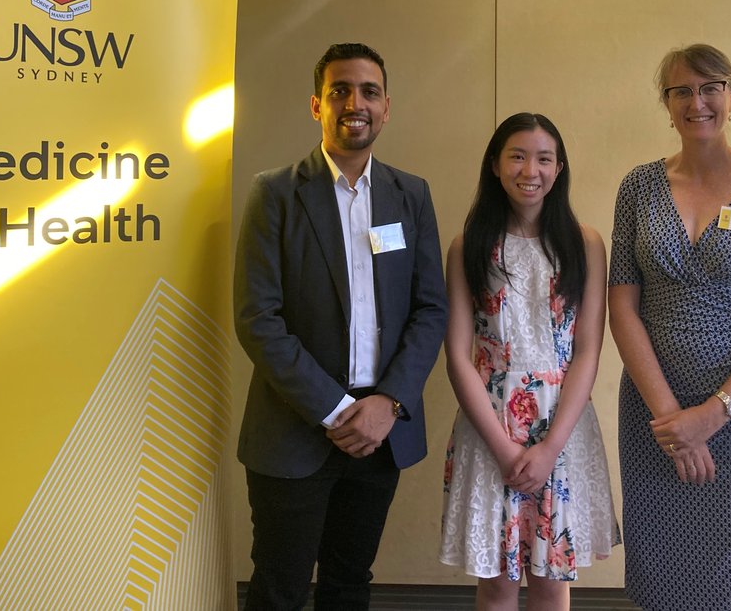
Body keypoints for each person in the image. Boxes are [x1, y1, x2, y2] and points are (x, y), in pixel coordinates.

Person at [233, 42, 448, 610]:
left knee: (349, 583)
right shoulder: (275, 193)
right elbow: (259, 318)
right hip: (295, 430)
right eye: (340, 91)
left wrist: (387, 404)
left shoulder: (412, 195)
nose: (356, 103)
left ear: (387, 107)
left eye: (369, 92)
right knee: (278, 588)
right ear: (316, 105)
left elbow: (431, 309)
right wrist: (337, 410)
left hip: (381, 432)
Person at [607, 45, 731, 610]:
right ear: (666, 105)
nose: (698, 101)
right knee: (662, 568)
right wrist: (672, 421)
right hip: (654, 412)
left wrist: (713, 415)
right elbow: (623, 307)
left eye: (710, 86)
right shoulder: (638, 187)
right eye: (681, 91)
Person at [440, 112, 619, 610]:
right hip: (489, 426)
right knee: (496, 580)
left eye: (544, 158)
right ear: (495, 165)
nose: (530, 170)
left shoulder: (584, 244)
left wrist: (549, 448)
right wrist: (502, 448)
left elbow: (588, 350)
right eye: (517, 156)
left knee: (550, 577)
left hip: (562, 425)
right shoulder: (467, 247)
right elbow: (458, 354)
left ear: (559, 168)